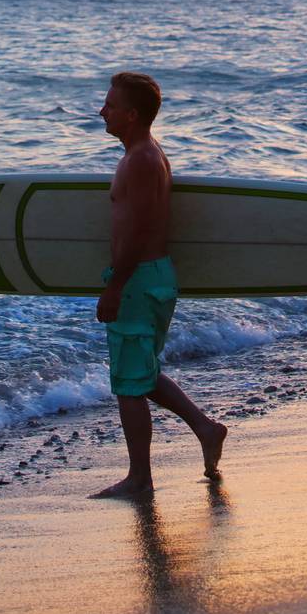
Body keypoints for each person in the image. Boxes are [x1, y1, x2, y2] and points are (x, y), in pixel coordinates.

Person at [90, 71, 227, 499]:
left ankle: (139, 479)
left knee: (129, 383)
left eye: (110, 106)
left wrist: (115, 287)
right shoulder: (144, 154)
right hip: (149, 276)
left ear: (131, 114)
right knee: (142, 372)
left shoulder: (143, 160)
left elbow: (140, 231)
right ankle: (206, 428)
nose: (102, 111)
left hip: (138, 277)